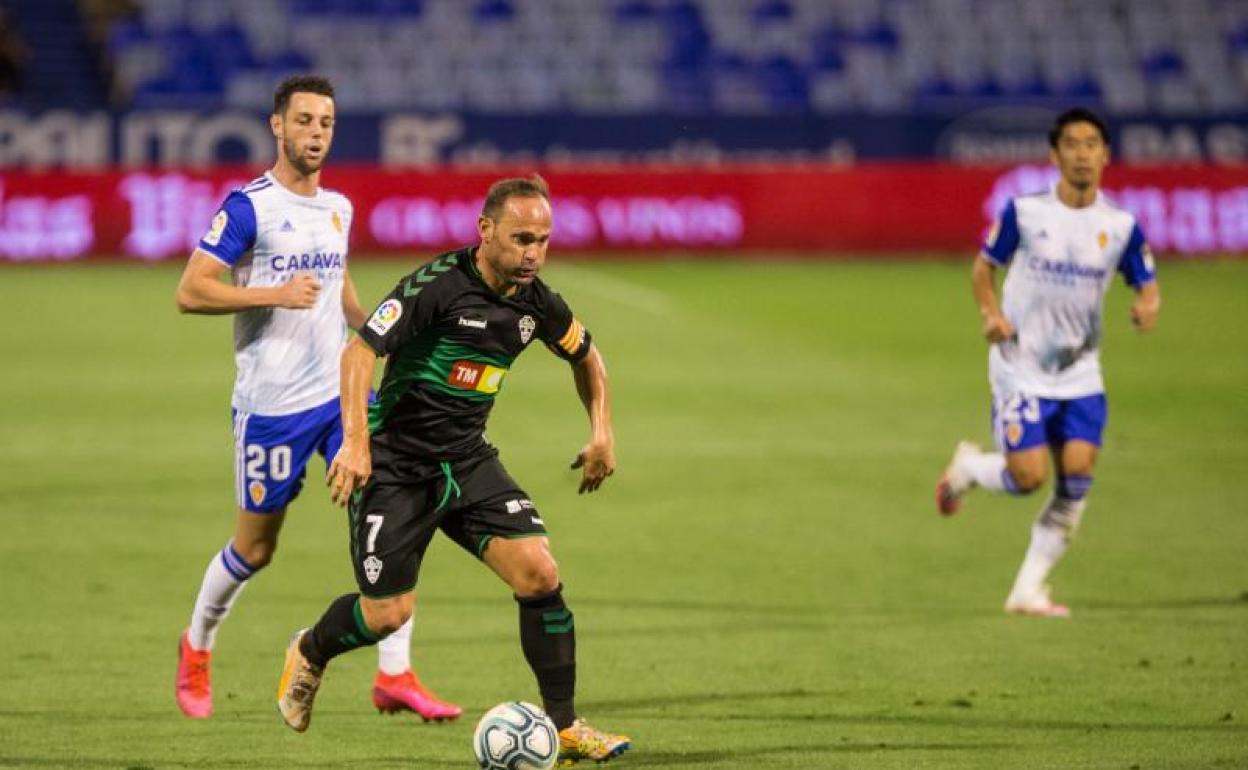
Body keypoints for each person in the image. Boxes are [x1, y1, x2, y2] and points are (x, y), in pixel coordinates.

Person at [274, 175, 632, 764]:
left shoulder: (537, 300)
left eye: (542, 240)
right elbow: (360, 349)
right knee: (389, 613)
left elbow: (586, 354)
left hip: (466, 461)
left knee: (539, 574)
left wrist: (601, 432)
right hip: (395, 463)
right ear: (485, 230)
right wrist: (358, 444)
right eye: (521, 238)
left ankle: (565, 726)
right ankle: (311, 650)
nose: (533, 254)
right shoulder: (437, 287)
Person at [173, 74, 460, 722]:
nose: (315, 133)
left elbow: (344, 297)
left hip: (339, 400)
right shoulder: (248, 207)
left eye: (326, 123)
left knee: (396, 506)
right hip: (271, 409)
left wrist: (397, 337)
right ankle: (197, 645)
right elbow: (191, 291)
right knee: (255, 550)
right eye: (303, 121)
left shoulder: (338, 208)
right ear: (277, 126)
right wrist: (270, 292)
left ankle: (396, 673)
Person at [935, 107, 1161, 618]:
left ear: (1106, 155)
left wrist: (1148, 305)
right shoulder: (1024, 213)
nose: (1082, 154)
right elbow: (983, 267)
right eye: (1072, 144)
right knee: (1029, 476)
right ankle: (970, 467)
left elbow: (1146, 283)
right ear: (1055, 155)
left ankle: (1028, 591)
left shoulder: (1121, 226)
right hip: (1019, 365)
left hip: (1080, 372)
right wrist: (990, 314)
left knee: (1077, 475)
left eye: (1091, 144)